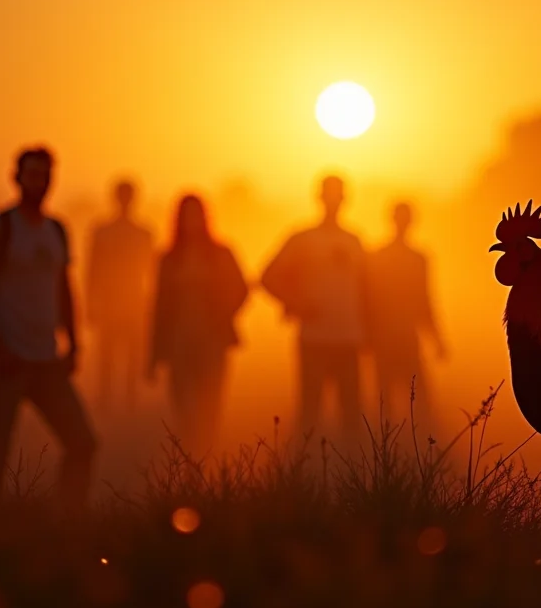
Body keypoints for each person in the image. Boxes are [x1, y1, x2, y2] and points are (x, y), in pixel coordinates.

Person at [0, 147, 96, 512]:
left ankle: (67, 524)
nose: (40, 183)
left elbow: (64, 289)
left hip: (46, 360)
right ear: (17, 177)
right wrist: (0, 346)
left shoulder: (56, 230)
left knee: (83, 443)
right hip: (5, 362)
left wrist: (74, 343)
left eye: (45, 175)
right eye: (33, 174)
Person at [261, 175, 369, 443]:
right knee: (309, 414)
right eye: (328, 194)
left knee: (352, 417)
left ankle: (352, 476)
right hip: (314, 339)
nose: (333, 200)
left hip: (349, 339)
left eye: (338, 194)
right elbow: (268, 277)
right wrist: (297, 305)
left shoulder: (355, 241)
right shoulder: (302, 239)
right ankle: (303, 475)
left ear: (345, 199)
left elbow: (367, 290)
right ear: (319, 198)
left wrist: (370, 331)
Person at [147, 195, 249, 453]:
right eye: (186, 216)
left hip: (212, 342)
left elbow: (242, 288)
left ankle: (207, 464)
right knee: (183, 410)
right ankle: (188, 467)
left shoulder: (221, 253)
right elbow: (158, 307)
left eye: (196, 215)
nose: (191, 221)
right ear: (178, 220)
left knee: (210, 408)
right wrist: (152, 355)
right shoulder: (168, 259)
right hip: (178, 342)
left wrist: (224, 313)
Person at [365, 202, 448, 429]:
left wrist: (436, 338)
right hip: (385, 336)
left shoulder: (416, 259)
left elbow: (424, 300)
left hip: (404, 336)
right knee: (388, 399)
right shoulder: (380, 257)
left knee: (414, 396)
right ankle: (392, 450)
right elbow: (368, 299)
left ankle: (414, 445)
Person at [85, 178, 155, 411]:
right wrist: (90, 304)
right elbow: (92, 270)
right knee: (107, 355)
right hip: (110, 300)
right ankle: (107, 400)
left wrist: (151, 305)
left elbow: (152, 271)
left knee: (133, 356)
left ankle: (129, 400)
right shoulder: (102, 231)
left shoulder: (143, 233)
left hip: (133, 300)